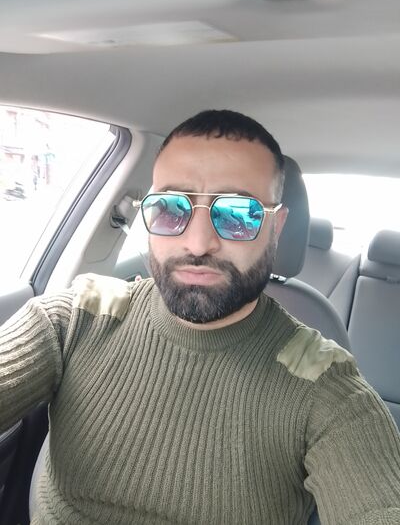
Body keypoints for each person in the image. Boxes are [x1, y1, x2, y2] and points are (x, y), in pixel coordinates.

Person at [1, 110, 400, 524]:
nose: (197, 243)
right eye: (172, 208)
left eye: (238, 214)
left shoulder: (323, 383)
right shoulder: (75, 318)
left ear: (276, 226)